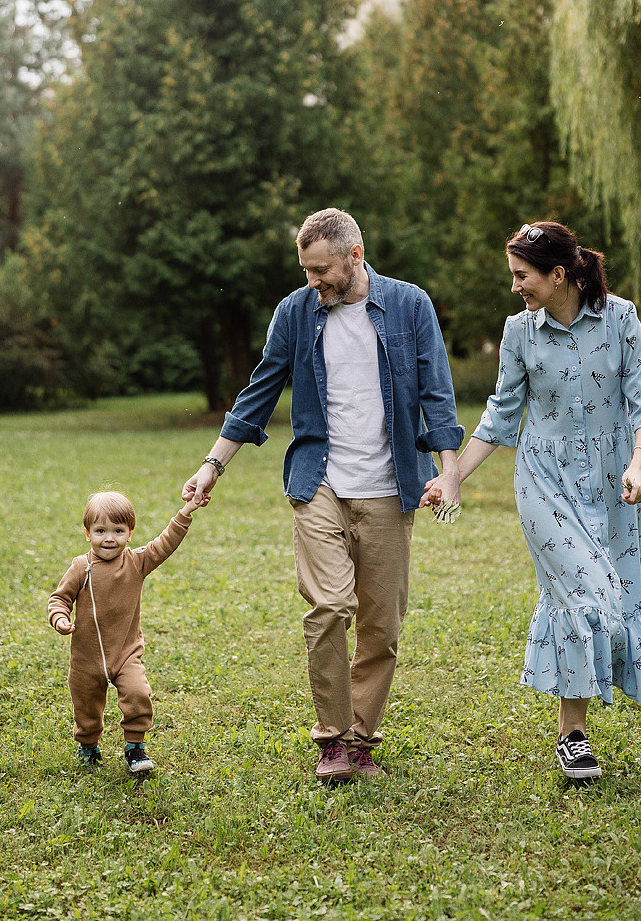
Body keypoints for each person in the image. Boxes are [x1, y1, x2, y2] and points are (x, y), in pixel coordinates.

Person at [183, 208, 463, 782]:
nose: (313, 282)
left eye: (321, 271)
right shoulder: (295, 312)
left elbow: (437, 391)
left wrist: (449, 470)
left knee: (381, 625)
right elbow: (261, 389)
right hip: (320, 482)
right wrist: (213, 464)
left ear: (354, 256)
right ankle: (332, 741)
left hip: (391, 487)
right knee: (330, 607)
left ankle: (363, 742)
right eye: (306, 270)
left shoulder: (410, 305)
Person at [424, 221, 641, 780]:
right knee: (585, 592)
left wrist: (639, 464)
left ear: (558, 274)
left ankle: (574, 728)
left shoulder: (621, 320)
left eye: (522, 275)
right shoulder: (520, 332)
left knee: (610, 601)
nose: (514, 286)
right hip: (543, 480)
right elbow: (501, 414)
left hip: (615, 482)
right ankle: (573, 736)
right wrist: (455, 477)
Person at [48, 490, 201, 774]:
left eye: (118, 530)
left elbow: (165, 543)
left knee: (138, 694)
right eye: (100, 530)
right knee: (86, 709)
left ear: (130, 533)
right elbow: (60, 598)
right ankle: (88, 746)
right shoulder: (81, 567)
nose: (109, 538)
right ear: (87, 533)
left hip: (126, 653)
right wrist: (59, 618)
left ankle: (134, 747)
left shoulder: (136, 562)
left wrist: (185, 513)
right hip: (86, 658)